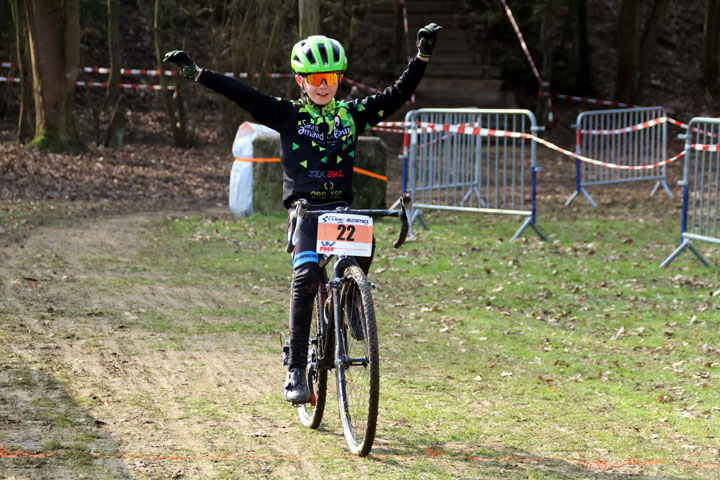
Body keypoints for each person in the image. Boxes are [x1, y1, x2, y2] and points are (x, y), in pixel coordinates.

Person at [164, 23, 442, 404]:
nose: (323, 86)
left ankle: (350, 300)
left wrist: (421, 57)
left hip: (340, 209)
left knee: (365, 243)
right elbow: (243, 95)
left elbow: (397, 95)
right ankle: (296, 367)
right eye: (315, 79)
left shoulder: (351, 115)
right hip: (305, 211)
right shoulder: (288, 115)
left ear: (339, 79)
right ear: (300, 80)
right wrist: (199, 74)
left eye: (330, 78)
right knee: (307, 275)